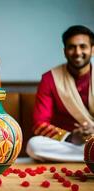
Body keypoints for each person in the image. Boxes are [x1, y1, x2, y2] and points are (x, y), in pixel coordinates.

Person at [26, 25, 94, 162]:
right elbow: (39, 124)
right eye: (72, 47)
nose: (77, 52)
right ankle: (89, 155)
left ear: (92, 50)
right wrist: (72, 137)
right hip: (69, 143)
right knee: (34, 145)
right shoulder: (50, 78)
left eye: (83, 46)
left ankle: (89, 154)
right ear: (64, 51)